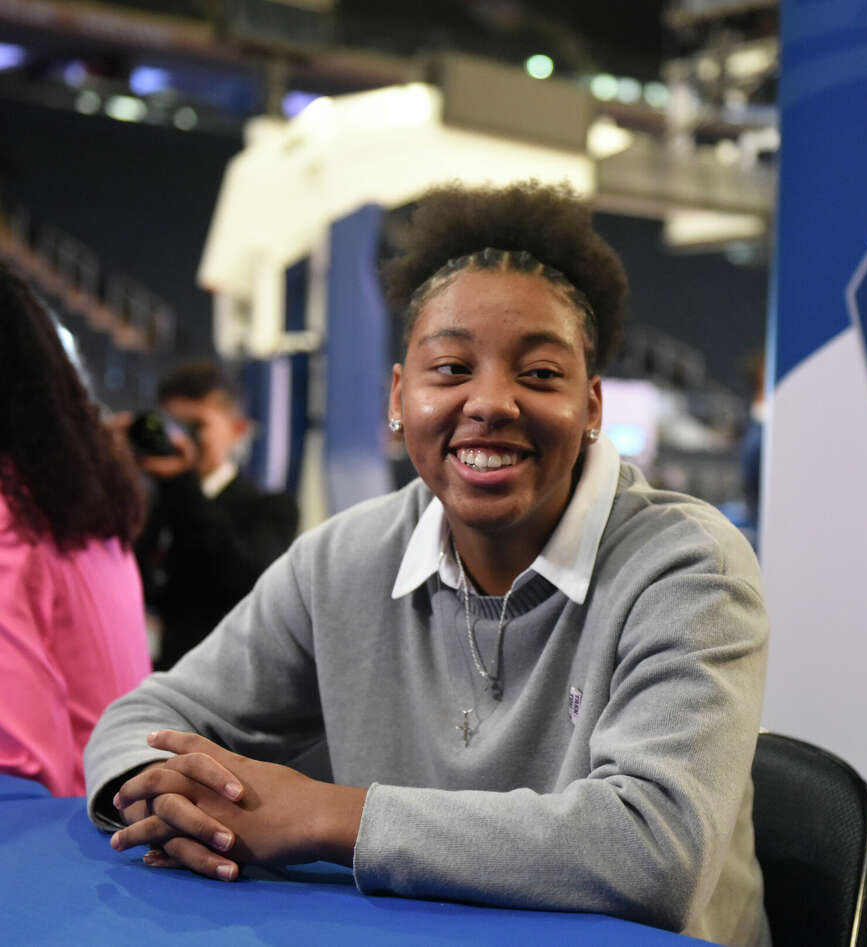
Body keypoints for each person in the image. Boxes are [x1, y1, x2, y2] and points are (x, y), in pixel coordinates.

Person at [84, 182, 771, 946]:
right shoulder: (342, 560)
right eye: (450, 368)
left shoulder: (690, 568)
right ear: (398, 395)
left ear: (594, 407)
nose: (491, 401)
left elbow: (654, 851)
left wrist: (322, 815)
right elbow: (141, 720)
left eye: (540, 374)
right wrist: (161, 799)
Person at [0, 263, 150, 796]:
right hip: (114, 829)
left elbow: (20, 767)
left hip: (54, 846)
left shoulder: (11, 514)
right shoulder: (68, 495)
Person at [131, 361, 299, 669]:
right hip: (161, 675)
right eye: (173, 426)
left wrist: (182, 484)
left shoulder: (271, 509)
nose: (181, 439)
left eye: (196, 426)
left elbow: (239, 580)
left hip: (228, 681)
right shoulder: (154, 505)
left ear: (238, 430)